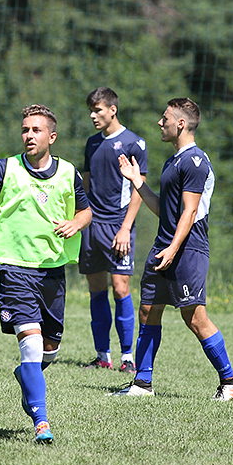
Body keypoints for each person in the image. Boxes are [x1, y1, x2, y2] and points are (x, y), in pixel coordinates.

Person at [0, 104, 92, 443]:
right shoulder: (5, 168)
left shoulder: (68, 172)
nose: (28, 135)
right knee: (32, 347)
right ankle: (41, 423)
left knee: (49, 350)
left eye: (35, 130)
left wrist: (74, 223)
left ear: (51, 136)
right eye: (24, 130)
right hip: (13, 267)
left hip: (51, 270)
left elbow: (86, 212)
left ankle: (28, 377)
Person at [109, 98, 233, 400]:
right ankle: (142, 384)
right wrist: (137, 183)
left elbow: (190, 212)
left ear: (180, 123)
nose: (160, 122)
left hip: (187, 249)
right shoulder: (173, 161)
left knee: (194, 318)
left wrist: (172, 248)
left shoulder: (195, 161)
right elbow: (164, 210)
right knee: (147, 309)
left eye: (165, 117)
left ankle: (230, 381)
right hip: (165, 245)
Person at [79, 87, 148, 373]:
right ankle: (102, 355)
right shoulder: (92, 143)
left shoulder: (135, 143)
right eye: (91, 111)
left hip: (118, 227)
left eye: (98, 110)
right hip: (92, 227)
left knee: (120, 288)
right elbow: (85, 183)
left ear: (112, 110)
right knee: (96, 289)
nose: (93, 116)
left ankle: (127, 357)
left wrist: (125, 228)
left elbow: (139, 188)